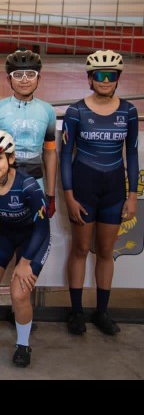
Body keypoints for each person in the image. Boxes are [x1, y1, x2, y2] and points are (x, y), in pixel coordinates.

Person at [61, 50, 138, 337]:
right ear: (90, 79)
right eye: (100, 75)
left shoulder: (128, 111)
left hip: (114, 191)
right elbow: (66, 154)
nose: (105, 80)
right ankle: (76, 312)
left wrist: (132, 195)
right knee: (81, 249)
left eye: (111, 75)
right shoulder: (76, 112)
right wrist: (69, 196)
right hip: (84, 190)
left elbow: (132, 154)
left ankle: (102, 312)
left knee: (106, 251)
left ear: (118, 78)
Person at [0, 130, 51, 368]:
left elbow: (42, 226)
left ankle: (23, 345)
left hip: (32, 238)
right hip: (0, 236)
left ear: (11, 158)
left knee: (19, 293)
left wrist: (25, 262)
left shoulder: (28, 185)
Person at [0, 50, 57, 210]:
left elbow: (50, 152)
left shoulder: (48, 110)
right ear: (8, 79)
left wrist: (51, 194)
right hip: (1, 183)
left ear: (38, 78)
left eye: (30, 74)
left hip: (36, 182)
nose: (24, 80)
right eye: (17, 75)